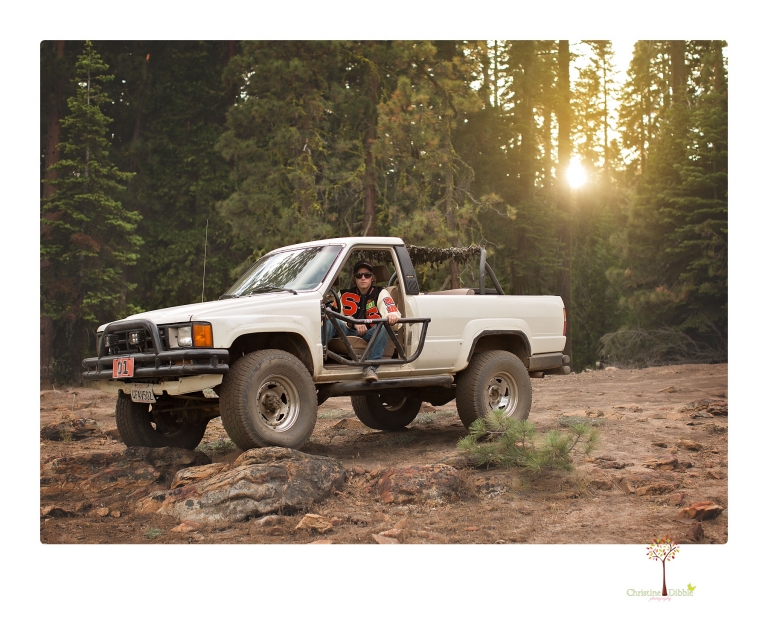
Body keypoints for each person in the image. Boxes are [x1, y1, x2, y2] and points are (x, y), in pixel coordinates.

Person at [324, 260, 401, 382]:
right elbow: (332, 315)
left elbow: (391, 310)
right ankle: (317, 357)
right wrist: (352, 321)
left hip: (372, 333)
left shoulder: (381, 292)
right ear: (355, 279)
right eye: (359, 275)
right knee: (330, 320)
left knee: (384, 325)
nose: (363, 278)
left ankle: (370, 367)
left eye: (367, 275)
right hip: (347, 330)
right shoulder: (343, 294)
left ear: (373, 278)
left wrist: (392, 315)